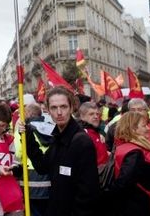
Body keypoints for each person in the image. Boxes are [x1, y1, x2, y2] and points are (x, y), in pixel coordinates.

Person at [22, 86, 99, 216]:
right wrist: (28, 137)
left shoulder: (81, 142)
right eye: (54, 107)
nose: (59, 112)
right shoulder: (58, 137)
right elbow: (42, 166)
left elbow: (88, 192)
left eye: (63, 107)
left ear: (71, 108)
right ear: (47, 110)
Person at [109, 111, 150, 216]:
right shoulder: (135, 153)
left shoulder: (130, 148)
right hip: (138, 208)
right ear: (133, 129)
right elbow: (123, 183)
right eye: (144, 125)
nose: (148, 128)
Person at [14, 103, 52, 216]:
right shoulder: (50, 128)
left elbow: (18, 152)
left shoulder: (23, 130)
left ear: (28, 114)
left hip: (29, 178)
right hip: (48, 178)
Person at [78, 101, 109, 166]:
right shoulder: (82, 135)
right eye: (91, 114)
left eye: (97, 114)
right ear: (82, 117)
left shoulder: (96, 133)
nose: (96, 117)